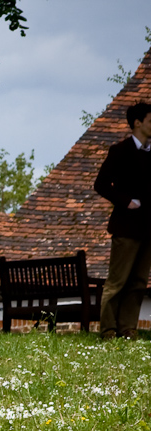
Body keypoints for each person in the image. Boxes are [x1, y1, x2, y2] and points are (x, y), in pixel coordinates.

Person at [94, 101, 151, 340]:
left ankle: (128, 329)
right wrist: (127, 201)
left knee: (138, 281)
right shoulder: (120, 151)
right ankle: (108, 330)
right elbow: (101, 184)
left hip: (148, 227)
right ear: (137, 123)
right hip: (126, 226)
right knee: (117, 281)